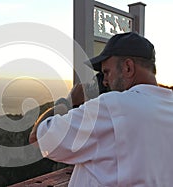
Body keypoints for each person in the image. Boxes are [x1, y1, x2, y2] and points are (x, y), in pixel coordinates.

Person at [29, 32, 173, 186]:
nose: (104, 81)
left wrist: (69, 101)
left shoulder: (112, 107)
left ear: (128, 67)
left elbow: (38, 137)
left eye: (106, 72)